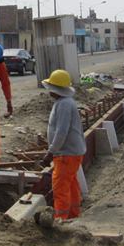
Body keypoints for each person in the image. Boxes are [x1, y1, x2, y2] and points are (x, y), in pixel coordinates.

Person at [41, 69, 86, 221]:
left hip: (66, 154)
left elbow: (62, 131)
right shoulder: (63, 102)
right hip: (71, 153)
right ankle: (73, 214)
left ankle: (61, 219)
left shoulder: (64, 105)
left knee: (60, 188)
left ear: (56, 89)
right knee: (71, 184)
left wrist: (51, 152)